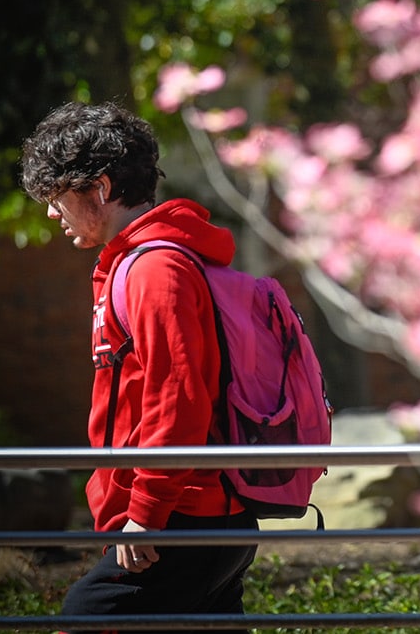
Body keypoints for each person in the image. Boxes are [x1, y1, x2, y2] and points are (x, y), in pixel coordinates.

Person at [20, 100, 257, 632]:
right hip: (194, 516)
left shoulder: (156, 269)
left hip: (181, 519)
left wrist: (146, 513)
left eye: (56, 197)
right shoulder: (136, 264)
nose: (50, 213)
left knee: (87, 618)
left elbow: (179, 396)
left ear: (99, 188)